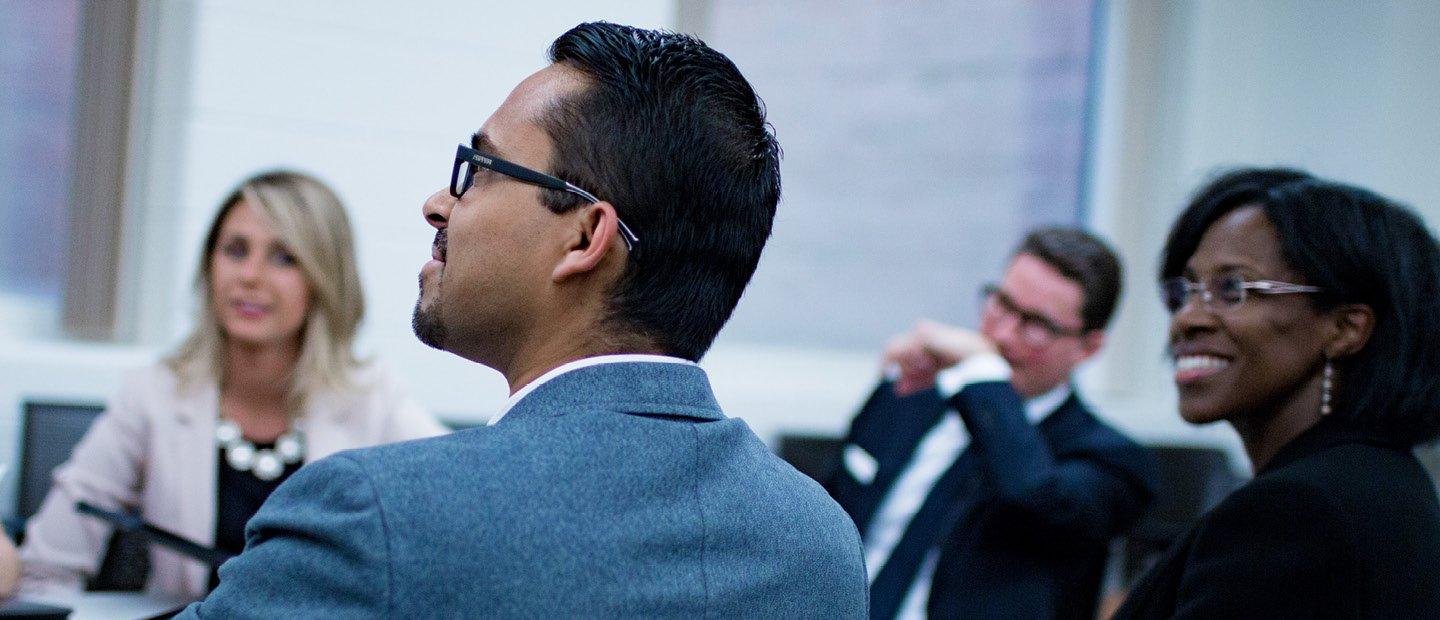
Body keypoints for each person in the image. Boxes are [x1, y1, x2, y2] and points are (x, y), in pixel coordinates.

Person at [177, 22, 867, 618]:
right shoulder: (820, 545)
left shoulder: (378, 515)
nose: (436, 205)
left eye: (478, 168)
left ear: (584, 238)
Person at [17, 171, 447, 602]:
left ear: (324, 280)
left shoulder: (372, 397)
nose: (250, 276)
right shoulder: (154, 394)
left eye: (283, 258)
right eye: (235, 251)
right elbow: (44, 570)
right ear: (209, 265)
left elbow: (463, 517)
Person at [1115, 168, 1440, 617]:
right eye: (1186, 290)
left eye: (1232, 289)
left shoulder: (1298, 511)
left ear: (1345, 328)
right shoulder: (1381, 480)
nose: (1187, 318)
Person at [825, 227, 1157, 619]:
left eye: (1036, 325)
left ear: (1088, 347)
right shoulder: (915, 397)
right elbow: (830, 521)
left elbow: (1035, 497)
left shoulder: (1111, 461)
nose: (1002, 334)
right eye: (1002, 303)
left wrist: (985, 371)